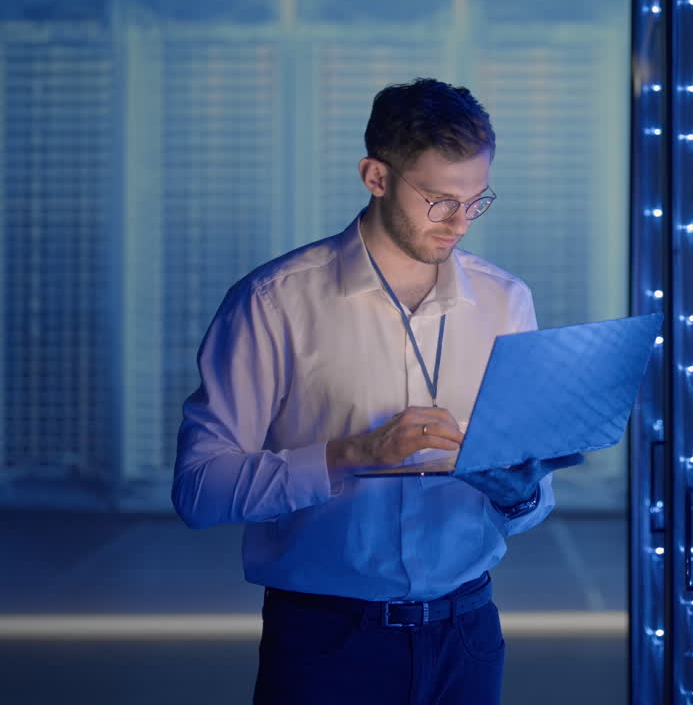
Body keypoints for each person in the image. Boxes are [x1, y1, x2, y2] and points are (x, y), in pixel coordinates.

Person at [172, 77, 582, 705]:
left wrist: (520, 492)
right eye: (440, 200)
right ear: (376, 176)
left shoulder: (506, 300)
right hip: (325, 643)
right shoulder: (274, 302)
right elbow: (198, 491)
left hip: (468, 634)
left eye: (476, 200)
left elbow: (535, 497)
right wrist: (350, 455)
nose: (459, 223)